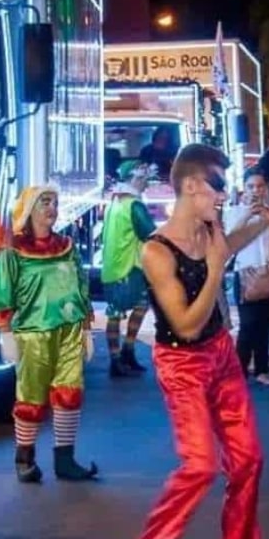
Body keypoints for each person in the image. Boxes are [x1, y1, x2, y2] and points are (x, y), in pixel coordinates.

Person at [124, 143, 269, 539]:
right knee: (200, 465)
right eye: (218, 185)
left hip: (219, 353)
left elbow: (229, 243)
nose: (224, 194)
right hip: (182, 363)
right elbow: (185, 322)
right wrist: (218, 268)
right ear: (191, 186)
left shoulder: (211, 227)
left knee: (249, 461)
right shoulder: (156, 252)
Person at [0, 185, 98, 483]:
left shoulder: (67, 245)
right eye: (44, 202)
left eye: (54, 202)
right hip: (32, 333)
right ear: (29, 209)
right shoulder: (13, 250)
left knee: (69, 392)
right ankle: (24, 459)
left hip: (70, 330)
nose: (51, 208)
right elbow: (1, 290)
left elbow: (81, 286)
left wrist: (87, 329)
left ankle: (65, 460)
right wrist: (5, 333)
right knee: (31, 397)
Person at [225, 166, 269, 386]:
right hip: (246, 274)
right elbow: (230, 239)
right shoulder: (233, 210)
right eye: (251, 186)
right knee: (248, 325)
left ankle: (261, 369)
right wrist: (247, 214)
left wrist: (268, 217)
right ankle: (239, 371)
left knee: (265, 324)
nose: (256, 190)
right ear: (244, 188)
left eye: (260, 186)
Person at [100, 160, 156, 378]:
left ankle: (123, 354)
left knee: (120, 311)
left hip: (112, 266)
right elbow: (148, 233)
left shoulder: (116, 201)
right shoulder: (133, 204)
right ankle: (121, 356)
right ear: (135, 178)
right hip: (129, 267)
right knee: (134, 308)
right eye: (144, 179)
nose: (147, 183)